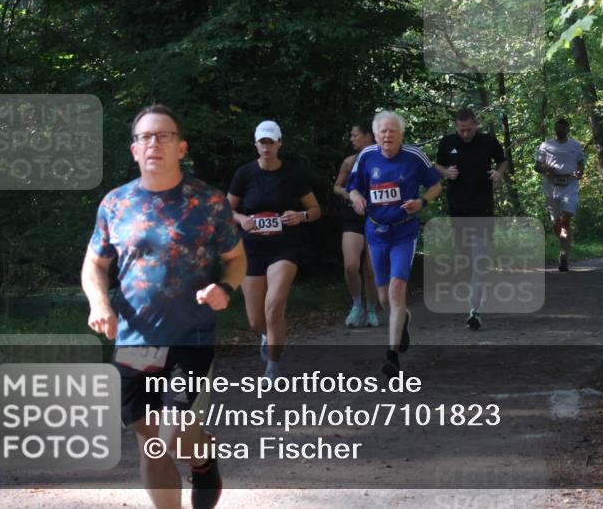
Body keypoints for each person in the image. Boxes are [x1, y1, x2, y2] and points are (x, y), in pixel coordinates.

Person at [82, 104, 245, 509]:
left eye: (164, 136)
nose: (153, 143)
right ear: (134, 150)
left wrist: (225, 287)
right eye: (145, 137)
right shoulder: (115, 204)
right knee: (149, 441)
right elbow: (95, 264)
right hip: (134, 339)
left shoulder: (207, 202)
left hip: (192, 336)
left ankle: (202, 458)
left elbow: (237, 258)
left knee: (171, 434)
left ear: (181, 147)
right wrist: (99, 302)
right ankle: (198, 463)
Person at [347, 111, 441, 378]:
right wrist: (357, 199)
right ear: (375, 135)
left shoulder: (414, 157)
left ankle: (392, 357)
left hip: (404, 232)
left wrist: (421, 202)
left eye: (392, 131)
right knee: (383, 298)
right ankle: (403, 321)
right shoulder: (366, 157)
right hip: (376, 232)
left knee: (397, 290)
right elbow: (353, 187)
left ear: (401, 134)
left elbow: (436, 186)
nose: (387, 136)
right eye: (383, 132)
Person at [227, 120, 321, 379]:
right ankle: (267, 335)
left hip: (284, 247)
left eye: (271, 141)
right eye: (262, 142)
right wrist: (242, 219)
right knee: (257, 320)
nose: (266, 146)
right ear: (256, 144)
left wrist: (301, 216)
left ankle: (273, 364)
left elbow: (315, 210)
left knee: (274, 306)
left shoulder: (291, 174)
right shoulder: (244, 174)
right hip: (252, 248)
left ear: (279, 143)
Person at [435, 108, 509, 330]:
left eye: (468, 130)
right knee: (466, 258)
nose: (465, 134)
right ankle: (475, 296)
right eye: (461, 130)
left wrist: (499, 173)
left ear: (476, 124)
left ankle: (474, 310)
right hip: (458, 208)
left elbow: (503, 161)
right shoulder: (447, 142)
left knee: (479, 259)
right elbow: (437, 165)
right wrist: (445, 172)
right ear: (456, 127)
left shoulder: (488, 141)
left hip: (482, 208)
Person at [333, 121, 380, 328]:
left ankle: (371, 309)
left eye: (354, 135)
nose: (351, 139)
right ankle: (357, 304)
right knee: (351, 265)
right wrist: (347, 194)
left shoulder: (383, 159)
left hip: (377, 217)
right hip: (353, 217)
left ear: (368, 136)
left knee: (370, 269)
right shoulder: (349, 162)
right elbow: (337, 186)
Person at [535, 118, 585, 272]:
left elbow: (580, 165)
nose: (561, 129)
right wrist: (546, 169)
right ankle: (565, 243)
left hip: (570, 187)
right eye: (558, 127)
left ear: (568, 129)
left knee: (565, 220)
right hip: (551, 188)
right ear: (555, 129)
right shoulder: (546, 145)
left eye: (563, 127)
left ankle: (564, 256)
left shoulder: (575, 146)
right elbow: (537, 166)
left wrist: (579, 173)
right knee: (557, 223)